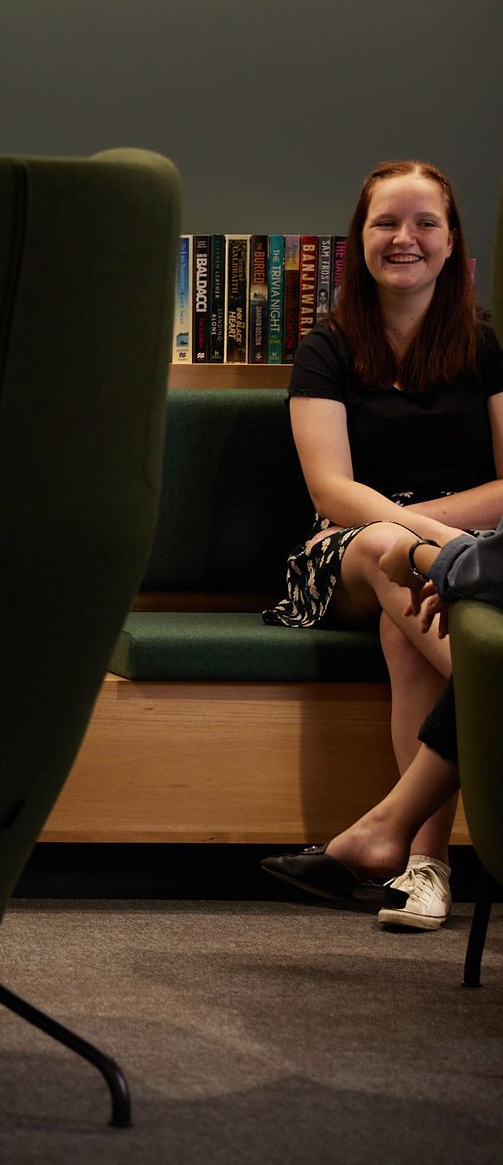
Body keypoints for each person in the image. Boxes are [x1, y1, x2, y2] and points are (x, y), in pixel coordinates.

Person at [262, 160, 503, 930]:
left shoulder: (484, 345)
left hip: (451, 561)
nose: (405, 238)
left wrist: (437, 546)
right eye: (386, 223)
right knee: (383, 550)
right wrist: (435, 539)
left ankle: (420, 868)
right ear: (359, 240)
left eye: (425, 222)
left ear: (452, 240)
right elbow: (332, 493)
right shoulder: (326, 348)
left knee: (410, 633)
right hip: (346, 557)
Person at [263, 525, 489, 930]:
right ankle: (414, 856)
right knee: (411, 605)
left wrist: (421, 553)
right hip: (371, 546)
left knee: (407, 622)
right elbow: (331, 490)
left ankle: (408, 849)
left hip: (463, 546)